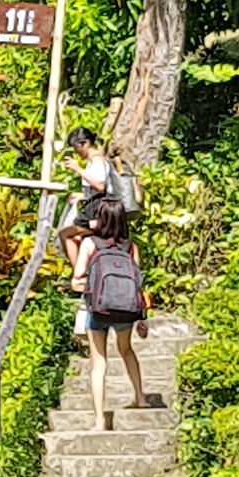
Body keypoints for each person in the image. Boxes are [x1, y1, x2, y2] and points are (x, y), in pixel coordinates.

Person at [59, 131, 153, 427]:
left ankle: (100, 420)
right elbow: (136, 282)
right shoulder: (131, 246)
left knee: (99, 361)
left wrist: (85, 287)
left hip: (98, 308)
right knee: (126, 350)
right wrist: (143, 318)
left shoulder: (89, 244)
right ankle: (140, 396)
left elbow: (77, 281)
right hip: (126, 308)